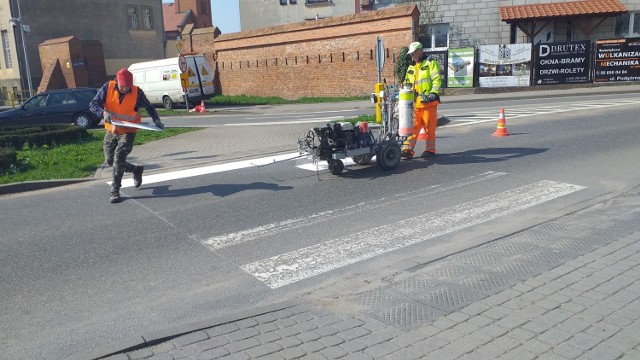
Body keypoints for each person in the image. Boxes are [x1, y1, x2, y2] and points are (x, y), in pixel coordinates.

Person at [90, 68, 164, 203]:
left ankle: (115, 190)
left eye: (127, 86)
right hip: (112, 129)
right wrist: (103, 113)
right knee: (109, 160)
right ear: (116, 81)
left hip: (129, 130)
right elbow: (93, 104)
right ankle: (136, 170)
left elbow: (150, 107)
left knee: (119, 157)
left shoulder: (137, 92)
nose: (125, 89)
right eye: (122, 86)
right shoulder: (108, 87)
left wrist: (156, 120)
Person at [401, 41, 442, 159]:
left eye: (414, 53)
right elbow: (406, 83)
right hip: (415, 103)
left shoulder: (430, 63)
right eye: (411, 54)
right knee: (412, 127)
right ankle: (407, 149)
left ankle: (430, 150)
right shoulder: (411, 67)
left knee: (429, 128)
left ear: (420, 51)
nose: (412, 56)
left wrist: (434, 93)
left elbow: (436, 79)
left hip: (429, 102)